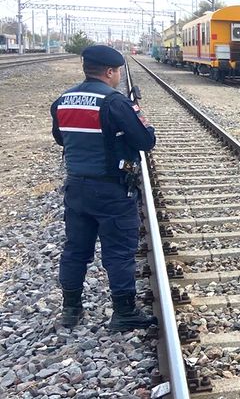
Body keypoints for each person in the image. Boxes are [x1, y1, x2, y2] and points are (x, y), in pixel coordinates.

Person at [50, 45, 158, 331]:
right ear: (110, 71)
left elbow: (61, 139)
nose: (119, 77)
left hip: (76, 187)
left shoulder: (63, 100)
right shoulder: (114, 102)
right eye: (118, 71)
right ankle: (124, 313)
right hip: (110, 189)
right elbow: (145, 141)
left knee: (75, 250)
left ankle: (71, 310)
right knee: (119, 252)